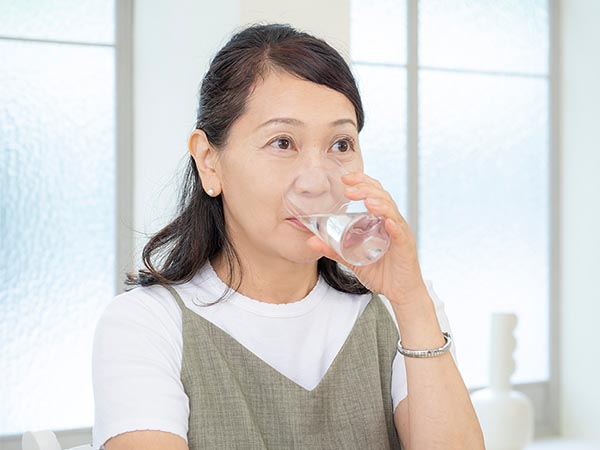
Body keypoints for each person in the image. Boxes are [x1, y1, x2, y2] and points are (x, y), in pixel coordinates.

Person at [92, 23, 484, 450]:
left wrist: (410, 302)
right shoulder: (147, 325)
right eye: (283, 143)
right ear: (209, 162)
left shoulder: (401, 307)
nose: (317, 182)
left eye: (340, 144)